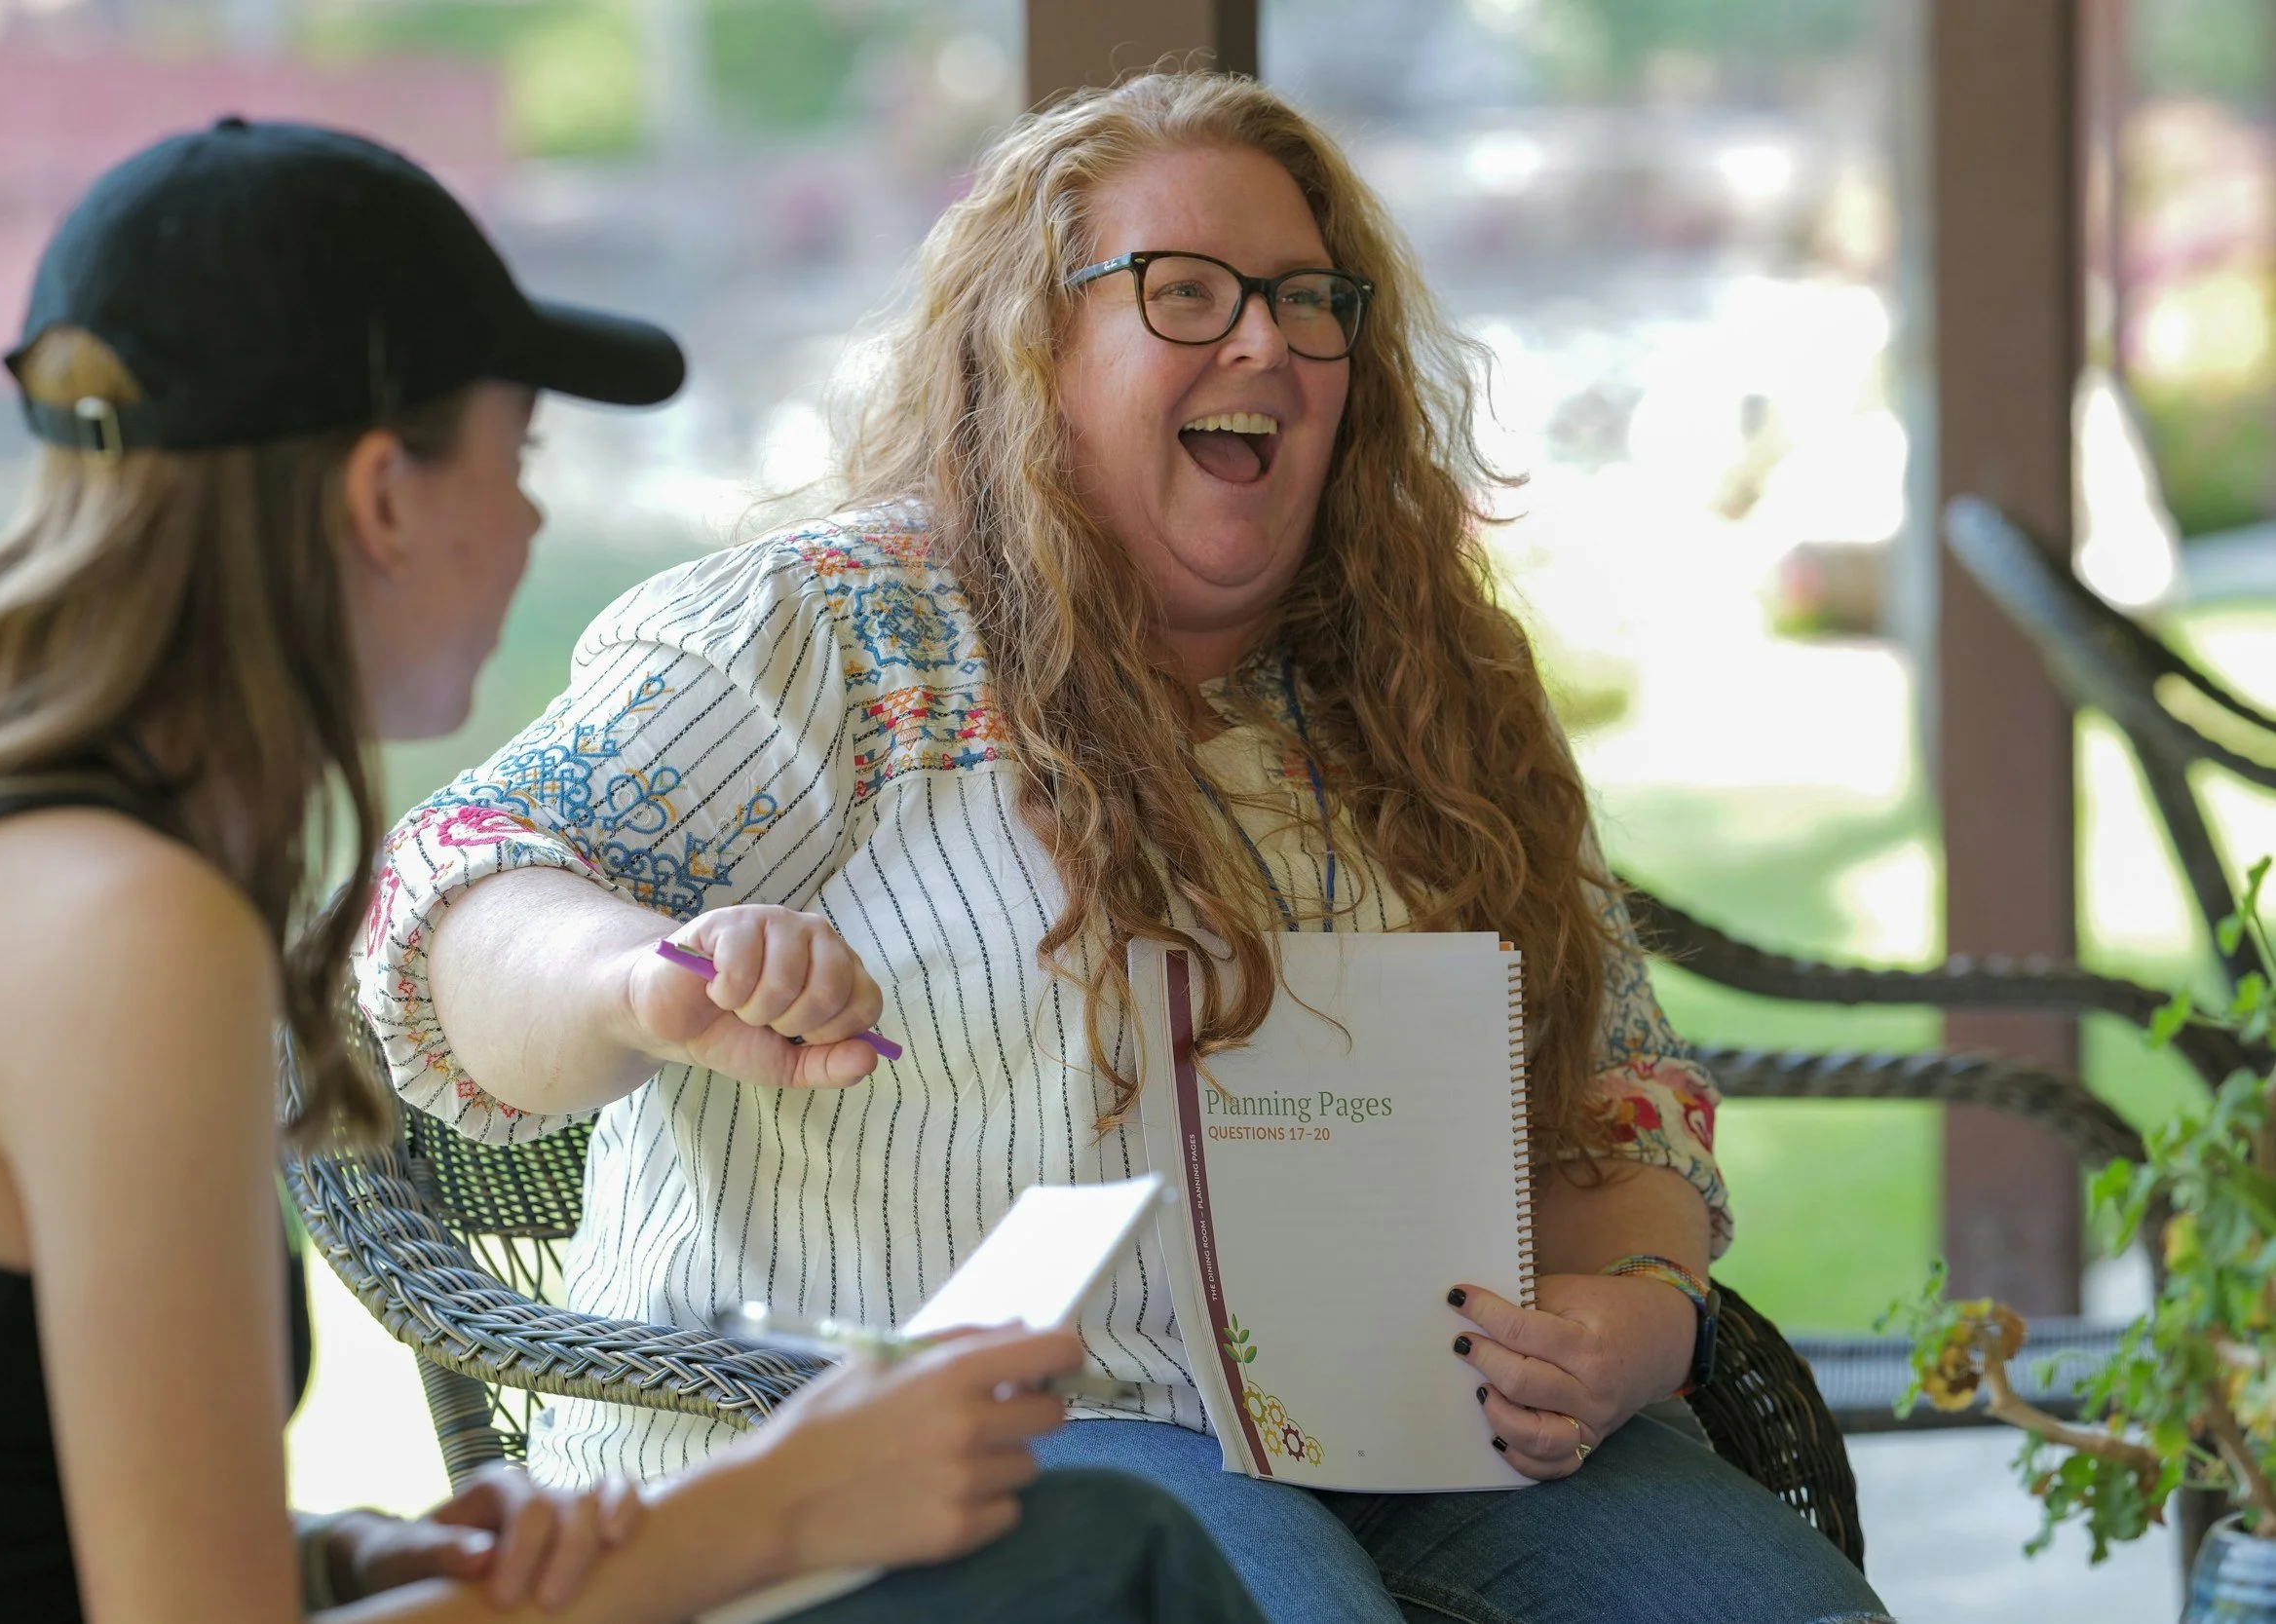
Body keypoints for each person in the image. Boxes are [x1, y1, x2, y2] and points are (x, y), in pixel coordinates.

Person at [361, 72, 1899, 1624]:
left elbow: (1610, 1109)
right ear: (1034, 346)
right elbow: (451, 904)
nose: (1267, 342)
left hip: (1420, 1433)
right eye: (1186, 292)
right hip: (907, 1446)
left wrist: (1640, 1316)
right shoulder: (830, 634)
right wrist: (643, 976)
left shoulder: (1436, 688)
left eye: (1310, 301)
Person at [0, 118, 1266, 1624]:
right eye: (515, 455)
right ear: (383, 496)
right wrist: (768, 1505)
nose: (528, 518)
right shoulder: (131, 933)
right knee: (1113, 1558)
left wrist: (361, 1550)